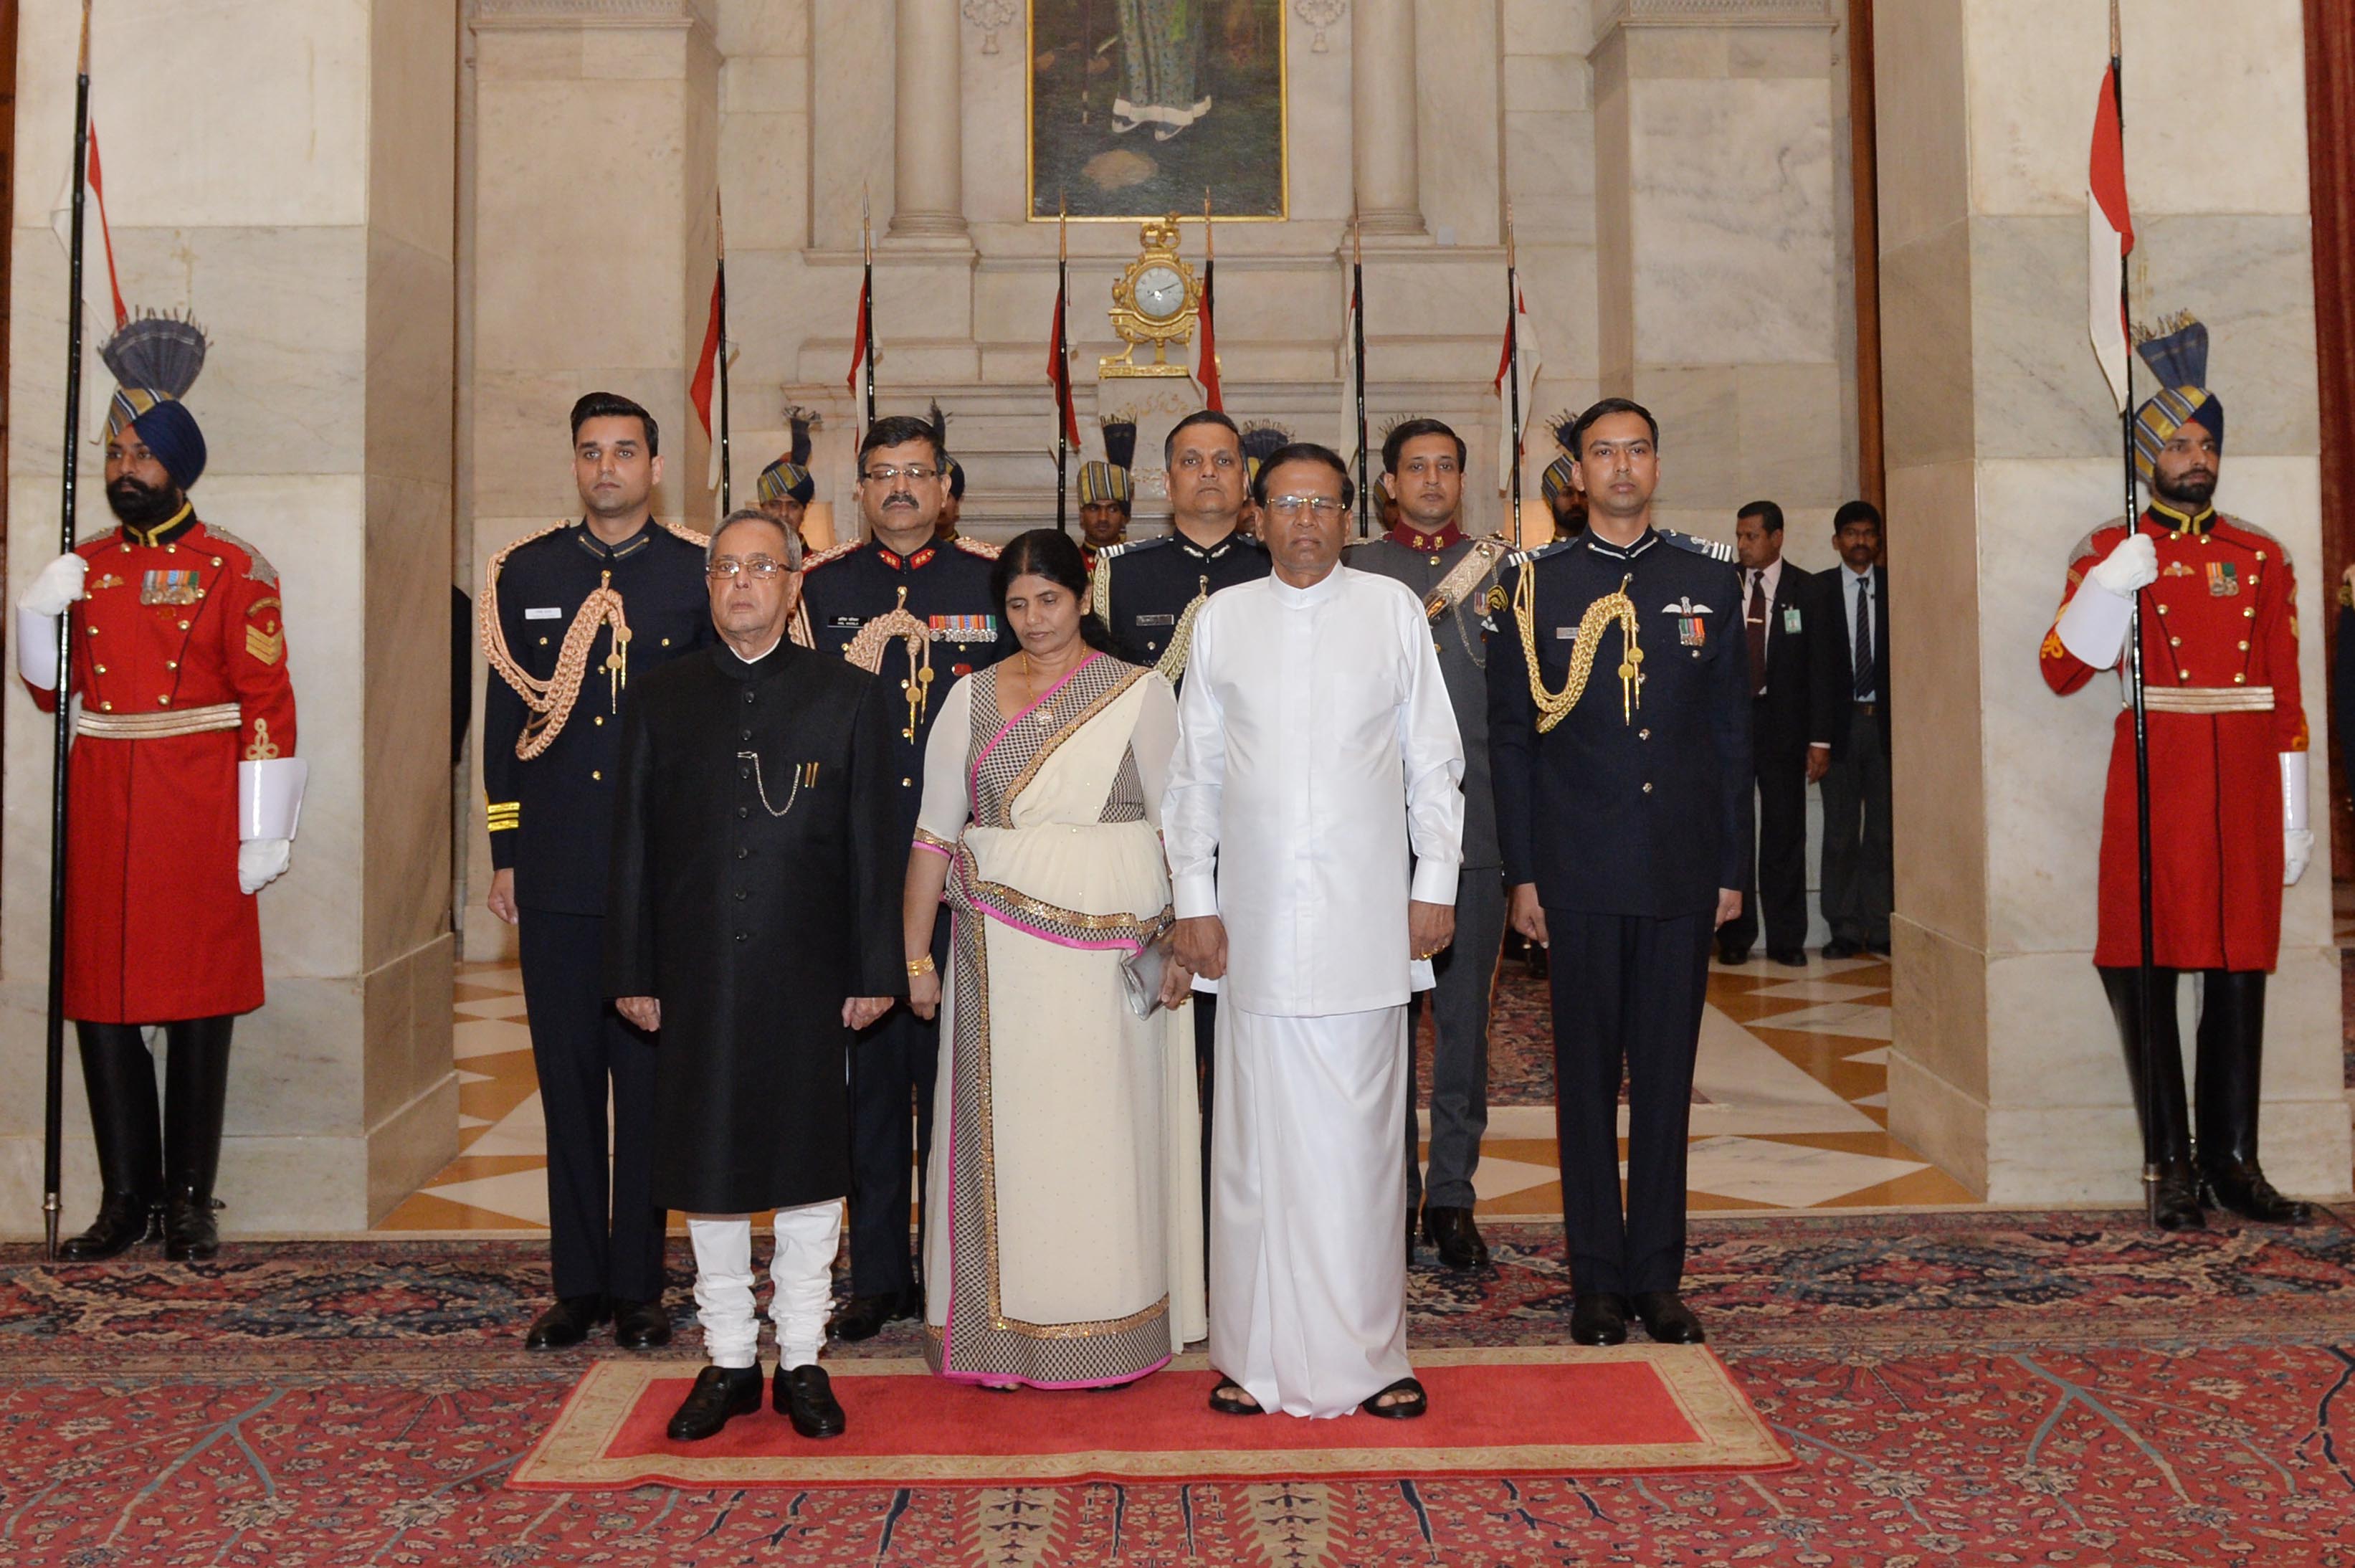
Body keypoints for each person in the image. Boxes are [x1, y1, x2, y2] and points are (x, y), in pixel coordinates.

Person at [1166, 441, 1465, 1421]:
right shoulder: (1222, 620)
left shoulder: (1389, 612)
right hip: (1248, 928)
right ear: (1258, 515)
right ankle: (1249, 1357)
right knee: (1252, 1156)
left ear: (1350, 515)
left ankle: (1374, 1356)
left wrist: (1435, 882)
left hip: (1364, 925)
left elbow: (1433, 760)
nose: (1303, 520)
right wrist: (1193, 898)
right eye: (1286, 503)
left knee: (1361, 1152)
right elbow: (1194, 776)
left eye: (1322, 504)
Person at [606, 508, 902, 1442]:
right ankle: (730, 1355)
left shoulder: (847, 696)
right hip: (693, 973)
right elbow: (633, 851)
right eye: (726, 568)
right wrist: (634, 967)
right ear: (709, 584)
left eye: (761, 566)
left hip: (810, 970)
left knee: (812, 1166)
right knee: (712, 1164)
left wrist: (875, 965)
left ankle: (804, 1354)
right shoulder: (660, 697)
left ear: (793, 582)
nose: (742, 583)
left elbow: (871, 847)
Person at [16, 314, 304, 1263]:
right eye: (113, 449)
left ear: (179, 465)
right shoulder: (86, 567)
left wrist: (265, 828)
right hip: (105, 798)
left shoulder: (233, 567)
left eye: (141, 450)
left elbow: (267, 695)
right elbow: (53, 692)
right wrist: (34, 616)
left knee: (195, 1004)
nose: (122, 465)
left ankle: (189, 1197)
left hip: (197, 805)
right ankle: (125, 1195)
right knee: (100, 1000)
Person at [906, 528, 1207, 1387]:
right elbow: (933, 835)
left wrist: (1183, 937)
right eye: (1017, 604)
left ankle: (1113, 1327)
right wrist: (914, 961)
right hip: (997, 966)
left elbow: (1177, 829)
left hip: (1110, 966)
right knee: (1011, 1147)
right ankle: (1001, 1339)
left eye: (1051, 600)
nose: (1035, 620)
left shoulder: (1139, 694)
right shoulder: (968, 699)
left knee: (1101, 1142)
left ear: (1082, 599)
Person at [2039, 316, 2312, 1230]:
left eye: (2206, 444)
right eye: (2178, 444)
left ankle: (2236, 1162)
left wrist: (2294, 811)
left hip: (2241, 784)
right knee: (2149, 962)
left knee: (2240, 971)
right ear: (2147, 456)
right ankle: (2170, 1167)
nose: (2196, 458)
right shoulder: (2107, 549)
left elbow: (2286, 693)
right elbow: (2062, 667)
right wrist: (2111, 585)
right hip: (2158, 781)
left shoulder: (2260, 555)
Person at [1488, 397, 1749, 1349]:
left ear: (1656, 461)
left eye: (1638, 448)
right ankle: (1596, 1277)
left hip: (1680, 866)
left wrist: (1732, 865)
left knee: (1669, 1079)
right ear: (1579, 472)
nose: (1623, 467)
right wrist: (1525, 872)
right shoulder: (1533, 585)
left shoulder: (1705, 581)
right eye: (1604, 452)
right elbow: (1513, 741)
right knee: (1587, 1081)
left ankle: (1660, 1275)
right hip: (1580, 867)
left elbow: (1729, 737)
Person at [482, 391, 713, 1350]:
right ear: (574, 466)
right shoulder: (526, 571)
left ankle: (640, 1283)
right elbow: (504, 723)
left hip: (659, 872)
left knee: (649, 1085)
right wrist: (504, 851)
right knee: (567, 1080)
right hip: (561, 864)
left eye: (625, 451)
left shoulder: (697, 572)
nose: (607, 468)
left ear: (656, 466)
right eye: (591, 452)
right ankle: (576, 1284)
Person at [797, 413, 1007, 1342]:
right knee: (869, 1088)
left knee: (963, 1081)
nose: (899, 489)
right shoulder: (821, 587)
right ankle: (878, 1271)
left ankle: (959, 1271)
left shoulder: (993, 582)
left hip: (971, 872)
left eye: (916, 473)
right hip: (858, 871)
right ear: (860, 487)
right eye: (881, 473)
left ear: (947, 488)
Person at [1090, 408, 1269, 1238]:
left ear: (1245, 479)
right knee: (1159, 1040)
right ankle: (1163, 1221)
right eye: (1191, 461)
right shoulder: (1122, 577)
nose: (1208, 474)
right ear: (1166, 482)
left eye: (1223, 461)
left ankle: (1246, 1217)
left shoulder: (1281, 572)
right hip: (1152, 838)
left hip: (1260, 836)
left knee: (1252, 1037)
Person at [1345, 417, 1509, 1272]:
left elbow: (1521, 715)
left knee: (1464, 1031)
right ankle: (1389, 1196)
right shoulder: (1359, 571)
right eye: (1417, 468)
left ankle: (1451, 1197)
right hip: (1375, 839)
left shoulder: (1504, 574)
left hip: (1474, 835)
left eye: (1448, 466)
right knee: (1383, 1027)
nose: (1434, 481)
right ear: (1388, 484)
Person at [1716, 500, 1839, 967]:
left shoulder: (1807, 590)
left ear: (1776, 537)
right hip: (1732, 724)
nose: (1743, 545)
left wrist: (1820, 739)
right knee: (1734, 828)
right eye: (1739, 535)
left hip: (1783, 727)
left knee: (1784, 832)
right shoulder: (1723, 585)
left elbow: (1822, 669)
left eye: (1751, 536)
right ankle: (1734, 935)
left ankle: (1787, 937)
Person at [1817, 500, 1890, 958]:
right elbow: (1812, 672)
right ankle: (1843, 927)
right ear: (1837, 541)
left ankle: (1881, 925)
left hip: (1886, 727)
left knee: (1884, 833)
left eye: (1867, 533)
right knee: (1841, 831)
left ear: (1878, 542)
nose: (1859, 541)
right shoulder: (1818, 590)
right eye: (1851, 533)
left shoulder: (1897, 587)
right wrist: (1816, 737)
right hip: (1840, 728)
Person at [1077, 415, 1136, 574]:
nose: (1103, 518)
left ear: (1125, 517)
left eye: (1112, 509)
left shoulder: (1138, 565)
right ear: (1082, 516)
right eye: (1094, 508)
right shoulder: (1068, 565)